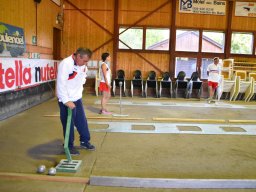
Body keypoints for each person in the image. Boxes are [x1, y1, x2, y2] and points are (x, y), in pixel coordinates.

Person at [57, 47, 95, 155]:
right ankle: (69, 146)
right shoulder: (66, 64)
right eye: (84, 61)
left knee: (82, 121)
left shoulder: (82, 66)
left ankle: (84, 141)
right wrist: (66, 100)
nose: (85, 63)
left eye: (86, 61)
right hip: (66, 100)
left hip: (77, 98)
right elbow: (61, 84)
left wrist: (78, 94)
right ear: (78, 56)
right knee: (68, 123)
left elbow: (82, 79)